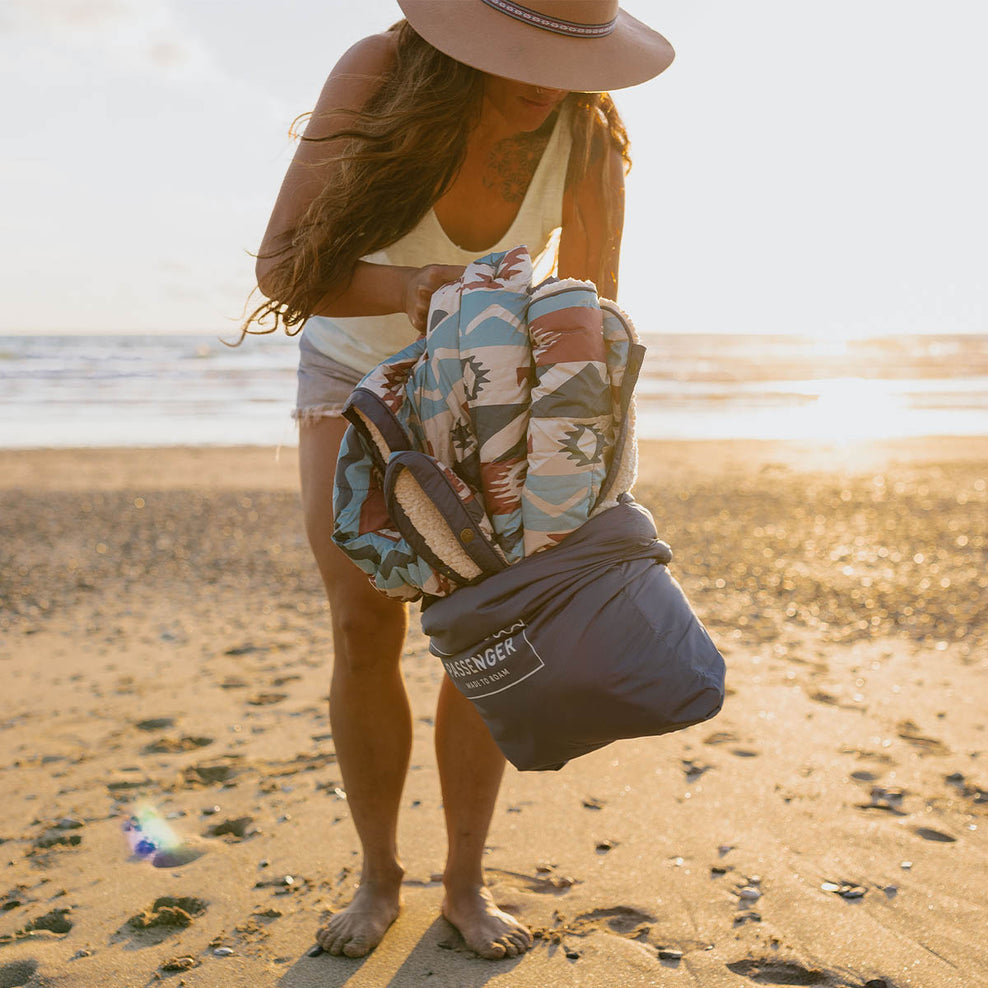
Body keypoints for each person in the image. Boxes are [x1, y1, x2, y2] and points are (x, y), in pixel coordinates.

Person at [247, 0, 674, 962]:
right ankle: (377, 879)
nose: (539, 75)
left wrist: (588, 465)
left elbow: (589, 316)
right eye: (521, 48)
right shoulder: (379, 74)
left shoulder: (590, 135)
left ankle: (466, 883)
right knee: (364, 623)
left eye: (567, 53)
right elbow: (285, 269)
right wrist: (405, 289)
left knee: (484, 632)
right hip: (353, 367)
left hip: (494, 392)